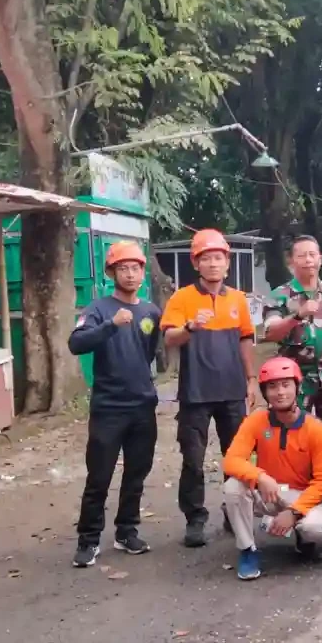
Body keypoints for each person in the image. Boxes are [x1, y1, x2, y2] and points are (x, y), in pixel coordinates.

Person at [160, 228, 260, 548]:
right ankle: (195, 519)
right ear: (196, 263)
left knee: (237, 456)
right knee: (193, 458)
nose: (213, 263)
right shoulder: (182, 298)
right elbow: (168, 338)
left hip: (232, 391)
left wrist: (251, 379)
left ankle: (234, 513)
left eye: (218, 257)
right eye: (206, 258)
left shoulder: (238, 299)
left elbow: (246, 340)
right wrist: (190, 326)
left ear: (227, 264)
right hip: (196, 393)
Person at [68, 242, 162, 568]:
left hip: (142, 406)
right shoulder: (99, 308)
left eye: (135, 267)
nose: (130, 273)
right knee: (100, 476)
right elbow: (76, 343)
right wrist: (110, 326)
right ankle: (88, 540)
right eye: (123, 268)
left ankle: (127, 531)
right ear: (111, 273)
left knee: (137, 472)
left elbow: (149, 351)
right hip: (108, 407)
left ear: (142, 271)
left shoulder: (150, 311)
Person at [221, 357, 322, 580]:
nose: (280, 392)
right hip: (268, 491)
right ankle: (247, 549)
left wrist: (294, 513)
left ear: (297, 387)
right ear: (264, 392)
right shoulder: (256, 420)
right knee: (233, 487)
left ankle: (304, 541)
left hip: (300, 495)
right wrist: (260, 476)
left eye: (286, 385)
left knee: (315, 527)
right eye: (272, 386)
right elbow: (231, 460)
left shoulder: (315, 429)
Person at [262, 234, 322, 432]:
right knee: (294, 434)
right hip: (294, 379)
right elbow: (271, 333)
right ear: (291, 261)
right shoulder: (280, 296)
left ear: (320, 258)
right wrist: (297, 316)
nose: (308, 260)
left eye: (312, 254)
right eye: (302, 255)